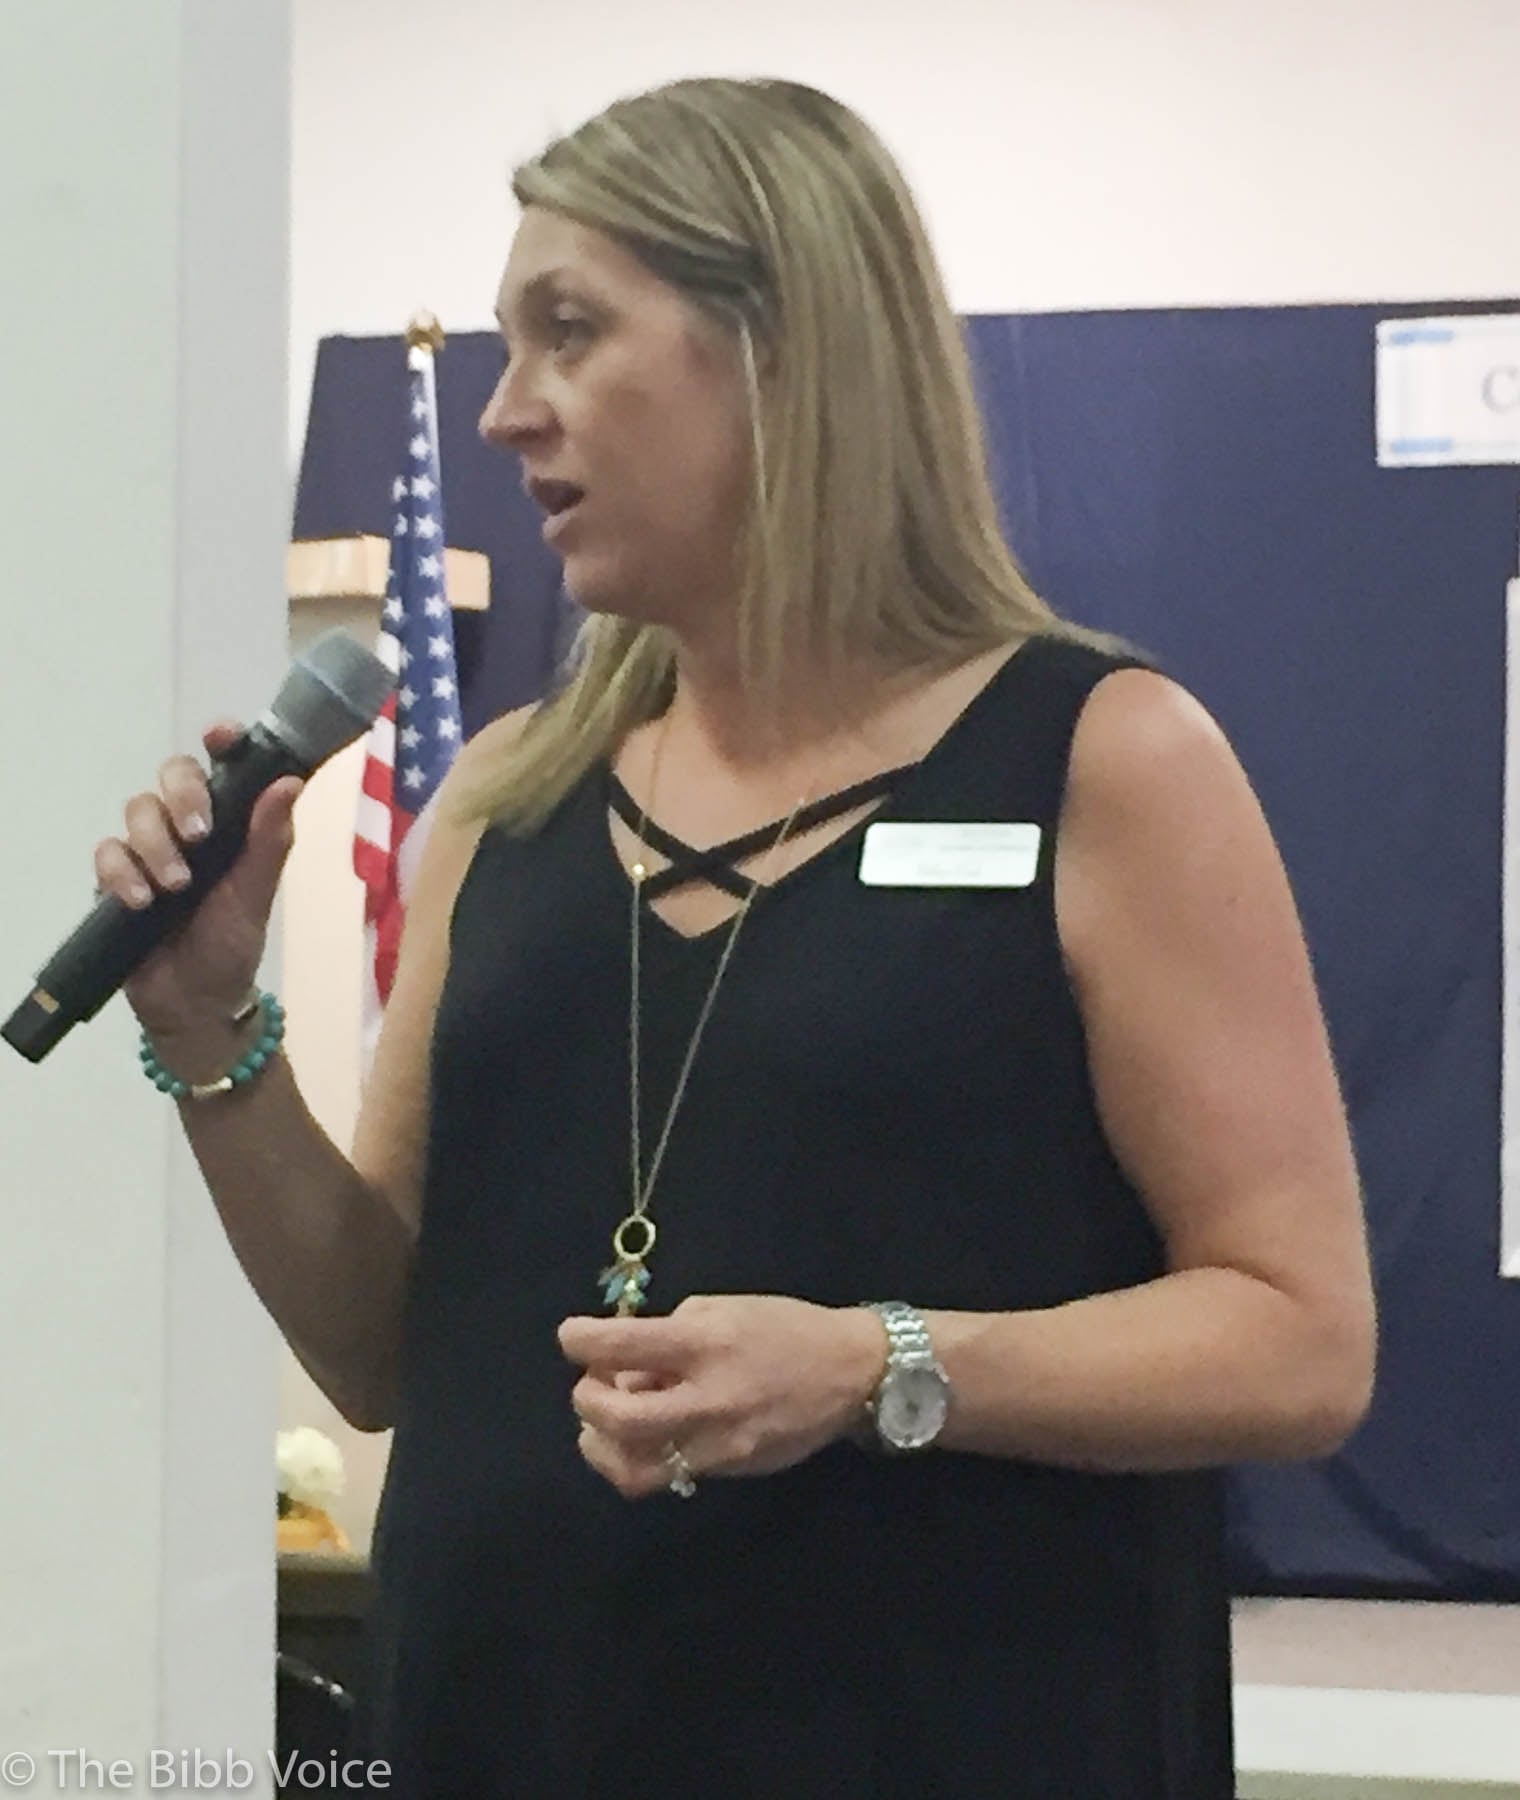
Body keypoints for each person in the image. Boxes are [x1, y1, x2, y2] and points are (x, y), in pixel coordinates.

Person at [100, 76, 1375, 1798]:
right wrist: (207, 1033)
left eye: (569, 333)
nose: (505, 412)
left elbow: (1302, 1338)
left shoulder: (1104, 759)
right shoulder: (504, 800)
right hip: (506, 1730)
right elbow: (379, 1348)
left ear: (784, 348)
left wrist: (877, 1364)